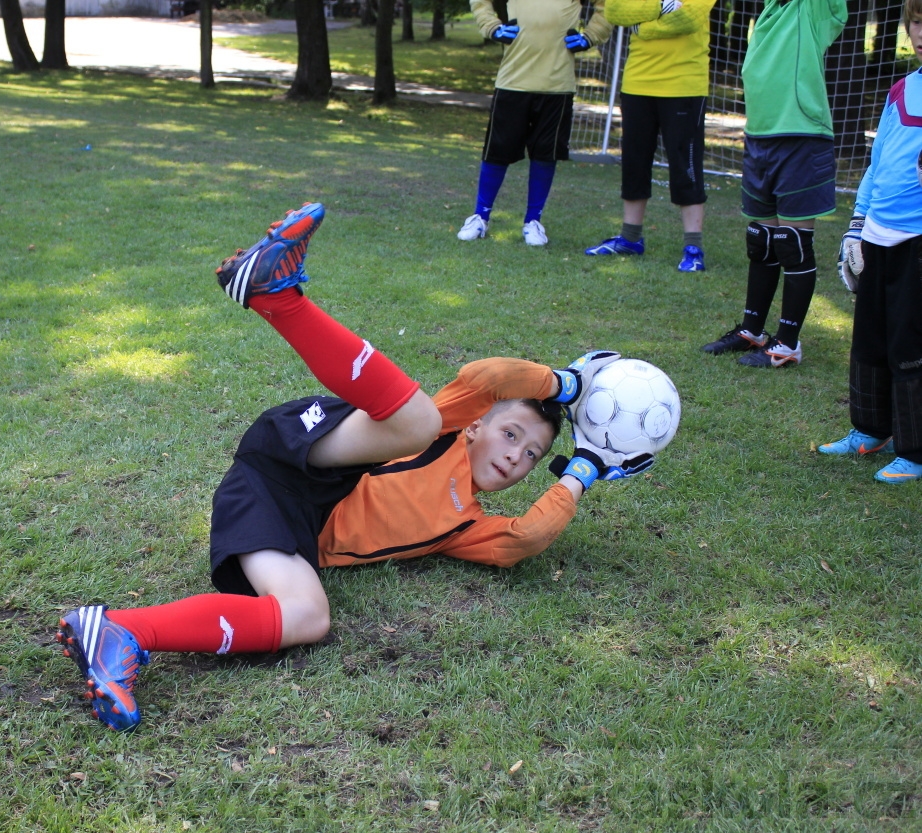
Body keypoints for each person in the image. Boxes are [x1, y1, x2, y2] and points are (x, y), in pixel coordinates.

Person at [56, 203, 653, 731]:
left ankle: (119, 632)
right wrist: (565, 384)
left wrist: (587, 468)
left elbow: (525, 538)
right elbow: (488, 380)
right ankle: (276, 297)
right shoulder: (447, 427)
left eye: (530, 456)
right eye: (510, 433)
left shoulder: (464, 524)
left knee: (309, 618)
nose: (515, 456)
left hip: (281, 521)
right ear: (476, 426)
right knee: (414, 421)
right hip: (304, 459)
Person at [701, 0, 848, 368]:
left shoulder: (811, 9)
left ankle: (788, 343)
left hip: (800, 137)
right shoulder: (770, 9)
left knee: (792, 243)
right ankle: (753, 330)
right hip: (760, 137)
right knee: (762, 240)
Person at [819, 1, 922, 483]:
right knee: (870, 338)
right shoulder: (903, 88)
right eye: (917, 21)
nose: (921, 32)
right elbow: (878, 162)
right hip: (878, 234)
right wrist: (857, 226)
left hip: (917, 241)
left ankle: (915, 449)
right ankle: (870, 429)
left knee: (910, 343)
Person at [457, 0, 611, 246]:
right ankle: (480, 217)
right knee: (497, 151)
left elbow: (607, 5)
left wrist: (592, 36)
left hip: (557, 85)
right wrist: (491, 26)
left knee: (545, 154)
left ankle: (533, 222)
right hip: (513, 81)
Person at [584, 0, 716, 273]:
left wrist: (643, 24)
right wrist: (663, 6)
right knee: (634, 161)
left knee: (685, 165)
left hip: (684, 83)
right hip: (637, 81)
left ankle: (694, 247)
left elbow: (688, 19)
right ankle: (630, 238)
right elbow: (616, 11)